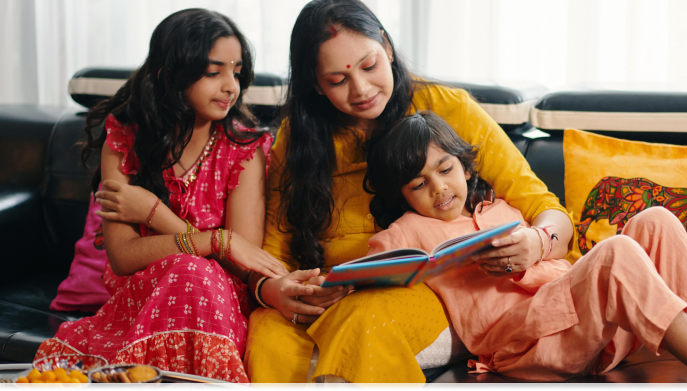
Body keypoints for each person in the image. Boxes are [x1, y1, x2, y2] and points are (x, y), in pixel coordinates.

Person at [243, 0, 574, 388]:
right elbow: (272, 256)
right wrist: (273, 291)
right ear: (315, 84)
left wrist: (538, 242)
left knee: (364, 319)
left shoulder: (447, 108)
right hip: (327, 295)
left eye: (369, 66)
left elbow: (546, 209)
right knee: (267, 333)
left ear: (386, 46)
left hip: (432, 294)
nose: (362, 89)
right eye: (337, 80)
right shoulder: (295, 142)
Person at [362, 111, 687, 390]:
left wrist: (532, 247)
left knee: (656, 220)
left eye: (445, 169)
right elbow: (371, 267)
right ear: (402, 196)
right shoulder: (408, 229)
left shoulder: (501, 208)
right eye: (419, 184)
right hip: (525, 345)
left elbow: (557, 249)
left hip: (587, 323)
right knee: (614, 253)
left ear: (464, 164)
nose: (439, 189)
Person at [34, 8, 295, 385]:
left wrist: (152, 212)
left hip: (219, 303)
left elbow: (241, 259)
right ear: (170, 75)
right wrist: (213, 241)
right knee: (190, 267)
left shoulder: (243, 146)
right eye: (213, 72)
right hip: (145, 295)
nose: (230, 87)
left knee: (194, 271)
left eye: (236, 72)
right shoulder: (125, 140)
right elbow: (123, 257)